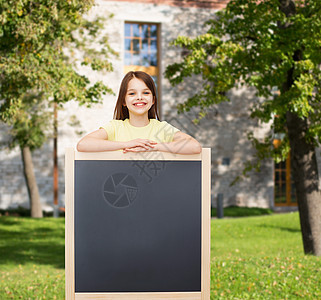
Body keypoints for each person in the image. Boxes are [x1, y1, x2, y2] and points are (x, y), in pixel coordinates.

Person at [77, 71, 201, 154]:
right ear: (124, 101)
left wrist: (153, 147)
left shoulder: (161, 128)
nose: (139, 97)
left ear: (153, 100)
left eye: (145, 93)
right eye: (132, 93)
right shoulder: (115, 127)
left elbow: (194, 147)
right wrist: (127, 144)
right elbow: (83, 144)